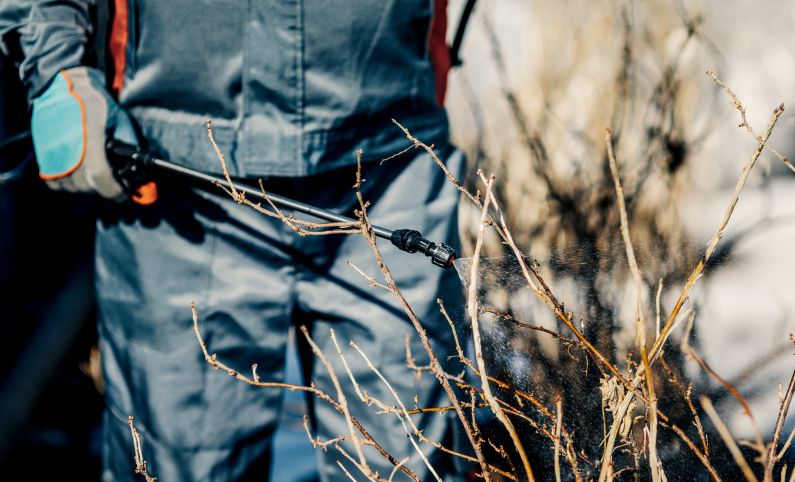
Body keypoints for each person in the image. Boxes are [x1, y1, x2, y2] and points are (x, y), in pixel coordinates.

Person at [0, 1, 466, 481]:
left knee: (412, 466)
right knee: (176, 469)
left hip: (394, 158)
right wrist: (56, 66)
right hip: (176, 184)